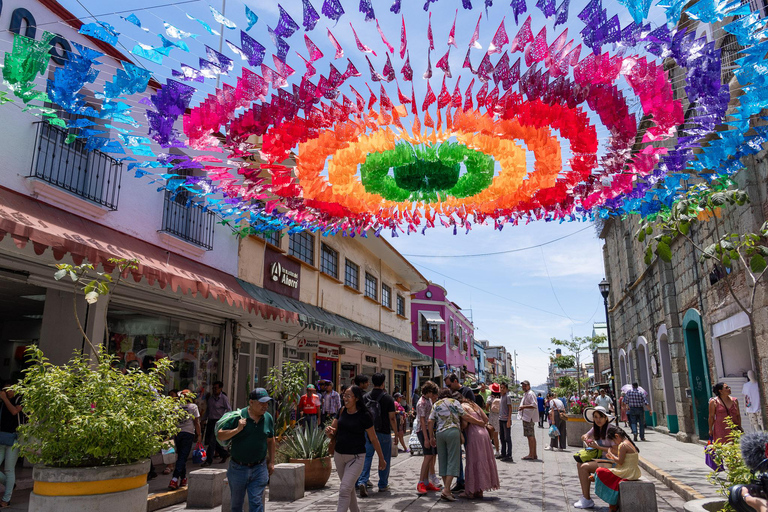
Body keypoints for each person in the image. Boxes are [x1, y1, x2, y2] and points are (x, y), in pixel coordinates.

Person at [325, 385, 386, 512]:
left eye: (348, 396)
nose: (345, 398)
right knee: (349, 489)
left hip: (356, 457)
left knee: (344, 489)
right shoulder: (342, 410)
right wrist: (329, 431)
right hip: (339, 455)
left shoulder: (364, 415)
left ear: (356, 398)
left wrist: (381, 458)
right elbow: (333, 431)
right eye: (344, 395)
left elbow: (373, 438)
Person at [217, 388, 275, 512]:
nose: (265, 406)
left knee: (256, 502)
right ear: (251, 402)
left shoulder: (268, 418)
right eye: (261, 403)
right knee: (236, 505)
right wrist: (237, 430)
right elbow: (220, 435)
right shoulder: (238, 417)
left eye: (267, 403)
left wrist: (272, 462)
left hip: (259, 467)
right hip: (238, 468)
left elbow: (271, 440)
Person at [356, 372, 396, 497]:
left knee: (366, 457)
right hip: (383, 432)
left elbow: (359, 415)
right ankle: (383, 484)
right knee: (383, 458)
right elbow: (392, 418)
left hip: (368, 432)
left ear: (372, 383)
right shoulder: (388, 398)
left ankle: (362, 481)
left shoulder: (365, 397)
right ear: (383, 383)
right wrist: (397, 433)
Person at [574, 406, 617, 509]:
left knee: (584, 467)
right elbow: (585, 435)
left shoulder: (611, 430)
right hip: (602, 459)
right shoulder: (596, 428)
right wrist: (586, 437)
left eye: (601, 417)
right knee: (579, 463)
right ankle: (586, 498)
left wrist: (598, 447)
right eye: (596, 417)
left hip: (612, 461)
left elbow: (615, 450)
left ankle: (587, 498)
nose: (598, 420)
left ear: (606, 418)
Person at [458, 395, 499, 499]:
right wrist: (480, 422)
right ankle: (480, 490)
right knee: (482, 460)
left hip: (473, 435)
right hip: (484, 434)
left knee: (472, 461)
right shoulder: (474, 405)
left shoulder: (462, 407)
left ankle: (470, 491)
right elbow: (486, 418)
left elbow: (465, 423)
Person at [428, 388, 465, 502]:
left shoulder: (436, 404)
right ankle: (446, 490)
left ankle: (447, 490)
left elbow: (430, 421)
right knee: (453, 460)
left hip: (439, 433)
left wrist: (431, 437)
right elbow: (464, 415)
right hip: (452, 431)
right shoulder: (454, 402)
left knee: (443, 461)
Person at [594, 426, 641, 512]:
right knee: (606, 471)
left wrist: (611, 455)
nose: (615, 443)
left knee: (599, 470)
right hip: (632, 471)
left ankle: (612, 502)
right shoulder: (628, 442)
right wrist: (612, 457)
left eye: (614, 441)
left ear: (617, 436)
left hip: (627, 472)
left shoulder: (622, 445)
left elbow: (620, 461)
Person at [443, 374, 474, 492]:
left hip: (466, 429)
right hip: (454, 430)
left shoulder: (467, 391)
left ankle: (471, 480)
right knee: (456, 457)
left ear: (455, 381)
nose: (449, 388)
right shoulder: (449, 394)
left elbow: (472, 409)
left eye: (449, 385)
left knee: (470, 455)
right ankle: (460, 480)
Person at [168, 390, 202, 490]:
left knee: (181, 456)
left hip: (178, 433)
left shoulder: (176, 406)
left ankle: (183, 478)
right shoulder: (193, 407)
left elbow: (173, 421)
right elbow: (196, 422)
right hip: (188, 434)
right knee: (182, 457)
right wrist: (199, 435)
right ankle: (174, 479)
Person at [415, 382, 442, 495]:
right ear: (429, 391)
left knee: (431, 455)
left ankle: (426, 482)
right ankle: (421, 482)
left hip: (428, 430)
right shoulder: (422, 403)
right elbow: (422, 421)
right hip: (423, 431)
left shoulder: (428, 401)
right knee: (428, 456)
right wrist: (426, 438)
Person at [0, 382, 21, 507]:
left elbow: (14, 412)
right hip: (1, 438)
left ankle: (6, 500)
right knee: (8, 475)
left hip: (14, 439)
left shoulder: (20, 400)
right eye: (5, 390)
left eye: (10, 389)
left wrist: (4, 399)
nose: (8, 392)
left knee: (8, 470)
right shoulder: (2, 403)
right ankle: (9, 484)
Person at [202, 380, 231, 467]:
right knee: (211, 441)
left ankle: (209, 460)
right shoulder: (210, 398)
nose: (214, 390)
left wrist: (225, 420)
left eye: (216, 388)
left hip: (218, 422)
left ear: (221, 389)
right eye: (213, 388)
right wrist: (203, 419)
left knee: (212, 441)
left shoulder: (223, 398)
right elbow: (208, 410)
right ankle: (224, 453)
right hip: (210, 421)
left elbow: (229, 409)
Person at [518, 380, 539, 461]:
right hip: (526, 417)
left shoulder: (530, 393)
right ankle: (533, 454)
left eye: (525, 385)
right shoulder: (527, 394)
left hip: (529, 418)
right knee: (530, 436)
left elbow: (534, 405)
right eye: (523, 386)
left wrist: (523, 407)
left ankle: (531, 454)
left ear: (529, 386)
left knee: (530, 436)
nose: (524, 387)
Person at [498, 382, 513, 461]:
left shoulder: (507, 397)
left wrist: (509, 420)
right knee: (502, 438)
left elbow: (510, 408)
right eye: (501, 387)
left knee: (507, 438)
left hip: (506, 419)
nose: (502, 389)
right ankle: (503, 453)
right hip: (501, 419)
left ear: (506, 389)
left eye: (503, 388)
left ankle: (509, 455)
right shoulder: (501, 397)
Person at [486, 383, 501, 457]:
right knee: (501, 435)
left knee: (494, 435)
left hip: (492, 418)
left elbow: (486, 407)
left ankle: (497, 451)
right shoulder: (501, 398)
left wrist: (490, 411)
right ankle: (502, 450)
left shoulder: (490, 398)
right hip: (500, 417)